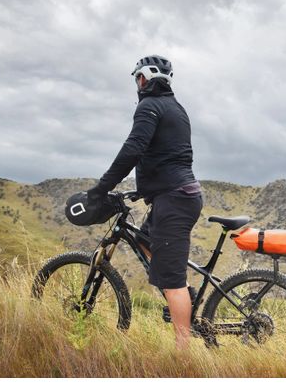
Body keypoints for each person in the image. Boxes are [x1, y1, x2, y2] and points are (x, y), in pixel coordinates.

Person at [87, 55, 203, 351]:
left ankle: (183, 356)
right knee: (143, 240)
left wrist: (103, 187)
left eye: (137, 78)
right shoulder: (176, 108)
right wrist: (143, 189)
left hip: (175, 199)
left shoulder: (149, 106)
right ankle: (183, 297)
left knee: (172, 280)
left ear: (144, 78)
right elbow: (171, 155)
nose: (136, 84)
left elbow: (133, 149)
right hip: (176, 194)